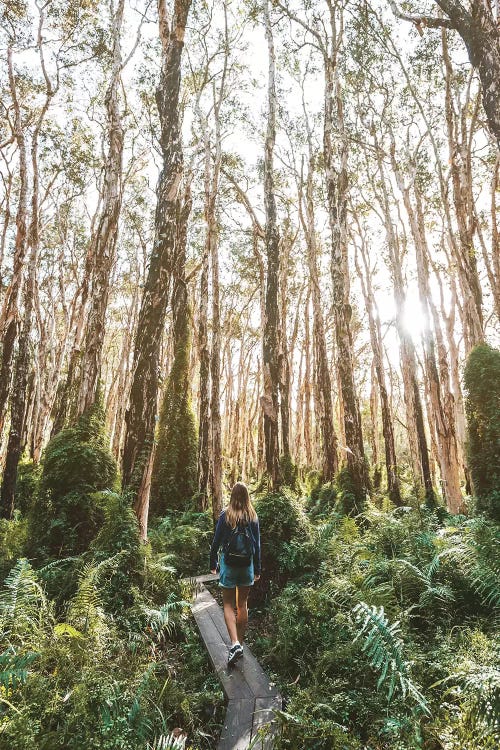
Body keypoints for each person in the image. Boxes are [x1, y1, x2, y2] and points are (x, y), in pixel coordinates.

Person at [209, 482, 261, 666]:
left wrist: (213, 562)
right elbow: (257, 546)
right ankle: (240, 644)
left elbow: (216, 543)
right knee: (243, 603)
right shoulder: (252, 516)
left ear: (232, 496)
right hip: (247, 566)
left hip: (229, 566)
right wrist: (258, 569)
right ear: (247, 497)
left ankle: (234, 644)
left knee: (229, 605)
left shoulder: (226, 515)